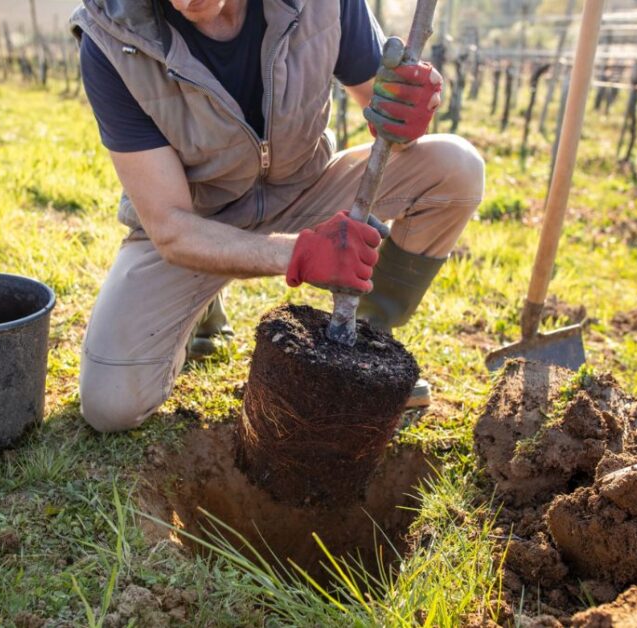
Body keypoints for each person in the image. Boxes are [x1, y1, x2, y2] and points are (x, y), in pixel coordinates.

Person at [71, 0, 485, 432]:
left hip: (305, 187)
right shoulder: (113, 38)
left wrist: (404, 113)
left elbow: (384, 119)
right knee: (110, 406)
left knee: (456, 167)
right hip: (198, 222)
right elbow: (170, 227)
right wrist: (298, 256)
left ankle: (366, 343)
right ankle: (199, 305)